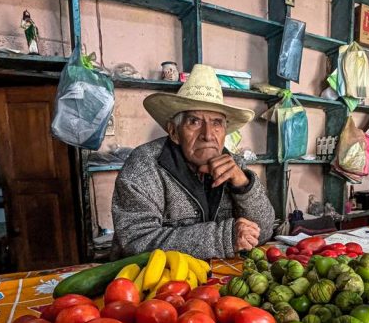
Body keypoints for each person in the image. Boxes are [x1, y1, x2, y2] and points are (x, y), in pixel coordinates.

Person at [111, 64, 275, 259]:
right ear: (174, 132)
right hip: (158, 283)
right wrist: (223, 237)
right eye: (194, 122)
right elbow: (136, 243)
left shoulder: (233, 164)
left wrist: (244, 186)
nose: (207, 135)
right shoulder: (144, 167)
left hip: (217, 281)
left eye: (216, 123)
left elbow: (263, 233)